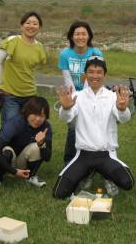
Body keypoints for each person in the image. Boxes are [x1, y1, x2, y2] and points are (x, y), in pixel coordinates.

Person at [53, 56, 134, 199]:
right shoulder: (77, 96)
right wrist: (65, 108)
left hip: (107, 154)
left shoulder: (112, 96)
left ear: (104, 75)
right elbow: (66, 117)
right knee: (59, 193)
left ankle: (106, 174)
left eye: (99, 72)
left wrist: (122, 109)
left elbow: (124, 118)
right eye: (91, 72)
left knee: (127, 183)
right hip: (83, 154)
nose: (94, 76)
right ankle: (88, 172)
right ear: (85, 75)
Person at [58, 21, 103, 164]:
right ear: (71, 36)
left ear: (89, 36)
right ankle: (69, 161)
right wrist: (75, 99)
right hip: (73, 96)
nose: (80, 37)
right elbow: (67, 79)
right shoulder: (65, 54)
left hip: (92, 93)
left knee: (92, 127)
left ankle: (92, 160)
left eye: (84, 34)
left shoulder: (96, 53)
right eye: (77, 34)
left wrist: (86, 98)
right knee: (73, 127)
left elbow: (96, 76)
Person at [0, 96, 52, 191]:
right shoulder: (15, 122)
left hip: (21, 160)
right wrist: (15, 172)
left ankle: (31, 176)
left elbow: (47, 157)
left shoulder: (46, 127)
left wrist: (42, 144)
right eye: (35, 114)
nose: (38, 119)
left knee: (36, 147)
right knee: (7, 151)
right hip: (3, 158)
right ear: (27, 112)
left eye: (42, 116)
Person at [0, 11, 47, 126]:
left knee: (29, 126)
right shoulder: (12, 41)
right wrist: (2, 85)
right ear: (21, 25)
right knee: (10, 128)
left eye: (35, 24)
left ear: (39, 27)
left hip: (30, 95)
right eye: (28, 23)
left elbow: (30, 68)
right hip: (10, 96)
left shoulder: (39, 47)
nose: (31, 26)